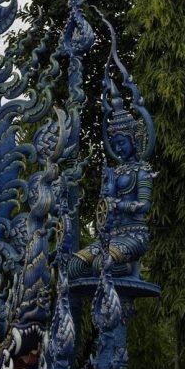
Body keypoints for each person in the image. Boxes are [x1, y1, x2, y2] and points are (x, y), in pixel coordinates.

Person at [69, 104, 152, 279]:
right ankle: (122, 269)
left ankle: (130, 269)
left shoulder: (142, 171)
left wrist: (118, 204)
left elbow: (144, 205)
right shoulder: (113, 173)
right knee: (74, 267)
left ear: (134, 140)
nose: (119, 149)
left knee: (101, 263)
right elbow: (104, 211)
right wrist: (109, 192)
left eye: (122, 143)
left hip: (135, 235)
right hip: (111, 236)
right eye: (115, 145)